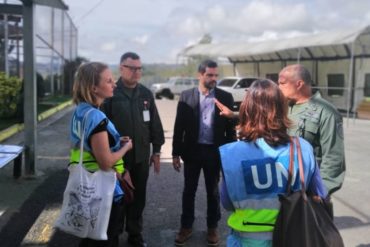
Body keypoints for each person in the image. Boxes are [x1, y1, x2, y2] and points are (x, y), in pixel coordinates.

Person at [219, 79, 327, 246]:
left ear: (246, 110)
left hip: (245, 240)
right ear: (282, 109)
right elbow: (319, 193)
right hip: (293, 238)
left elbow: (227, 202)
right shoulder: (303, 148)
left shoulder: (230, 154)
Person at [102, 52, 165, 247]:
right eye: (132, 68)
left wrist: (156, 151)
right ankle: (113, 234)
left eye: (139, 68)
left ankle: (135, 234)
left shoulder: (145, 94)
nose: (137, 72)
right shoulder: (111, 93)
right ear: (121, 68)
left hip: (140, 157)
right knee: (116, 197)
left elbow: (154, 123)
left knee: (138, 198)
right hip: (117, 157)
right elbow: (102, 127)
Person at [172, 59, 236, 246]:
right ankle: (186, 227)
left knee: (213, 192)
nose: (213, 78)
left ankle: (212, 227)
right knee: (189, 191)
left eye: (216, 75)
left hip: (214, 153)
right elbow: (179, 127)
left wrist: (230, 155)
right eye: (209, 75)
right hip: (192, 152)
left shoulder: (225, 97)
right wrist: (175, 153)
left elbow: (231, 129)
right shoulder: (186, 96)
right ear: (200, 75)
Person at [70, 62, 133, 247]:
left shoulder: (80, 111)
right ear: (93, 88)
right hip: (103, 191)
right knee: (105, 239)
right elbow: (105, 163)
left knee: (90, 237)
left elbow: (88, 145)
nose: (114, 84)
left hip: (85, 185)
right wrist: (126, 147)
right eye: (109, 80)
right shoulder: (97, 117)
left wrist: (113, 141)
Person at [278, 64, 346, 208]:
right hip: (285, 186)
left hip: (310, 190)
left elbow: (334, 157)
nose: (279, 87)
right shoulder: (284, 108)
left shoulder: (326, 112)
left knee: (310, 229)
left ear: (299, 84)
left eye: (282, 83)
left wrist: (321, 191)